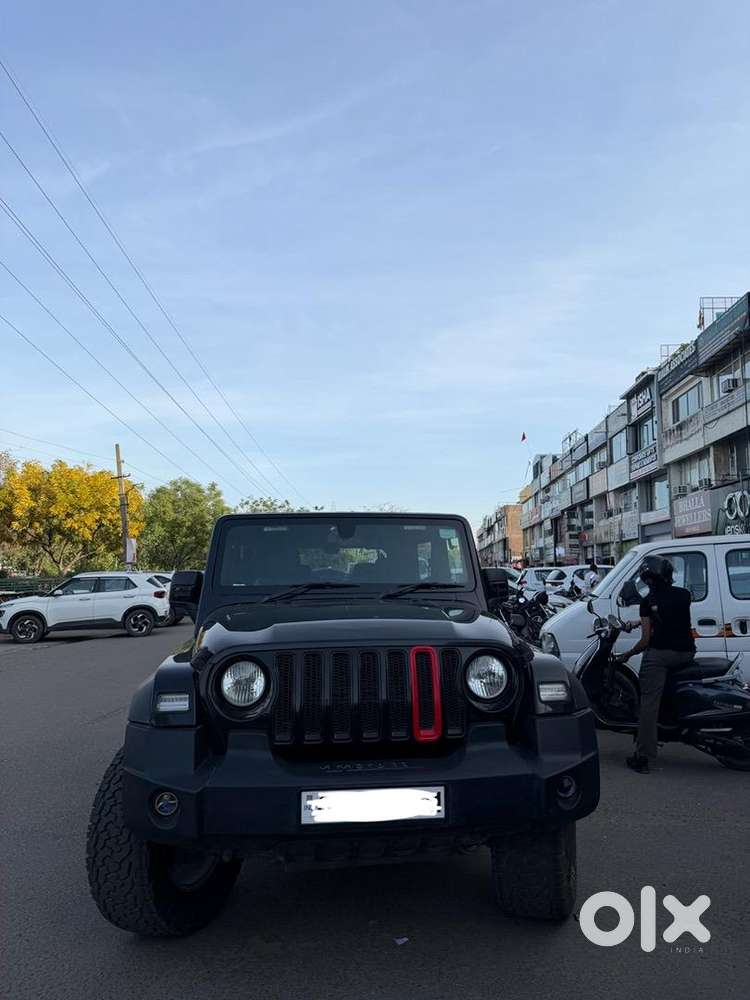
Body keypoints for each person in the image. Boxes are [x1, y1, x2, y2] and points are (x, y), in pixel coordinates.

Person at [614, 556, 695, 773]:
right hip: (686, 653)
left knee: (647, 704)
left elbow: (645, 641)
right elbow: (668, 613)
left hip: (661, 655)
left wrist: (627, 655)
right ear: (668, 576)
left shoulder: (646, 602)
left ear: (647, 580)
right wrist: (639, 620)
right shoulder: (684, 595)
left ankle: (642, 757)